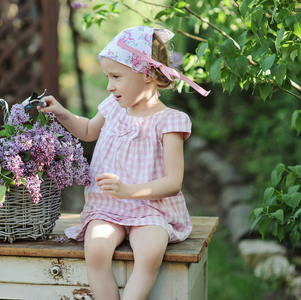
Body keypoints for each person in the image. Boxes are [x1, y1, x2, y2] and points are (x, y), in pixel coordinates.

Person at [39, 26, 209, 300]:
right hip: (108, 207)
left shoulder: (169, 121)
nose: (109, 86)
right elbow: (87, 131)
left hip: (151, 209)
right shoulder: (113, 105)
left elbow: (173, 182)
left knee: (151, 251)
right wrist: (61, 112)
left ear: (146, 74)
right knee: (95, 250)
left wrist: (129, 191)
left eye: (116, 77)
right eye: (108, 77)